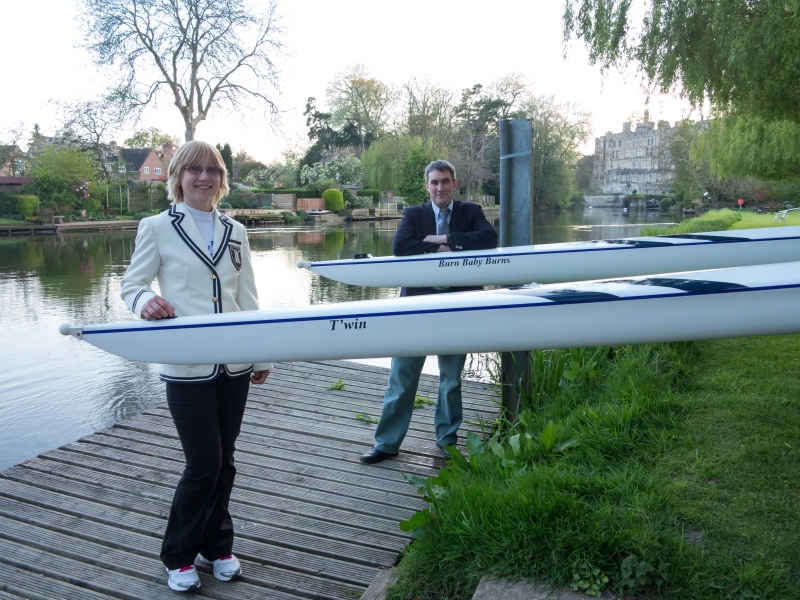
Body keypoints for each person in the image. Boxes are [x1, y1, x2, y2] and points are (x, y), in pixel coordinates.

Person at [121, 141, 271, 592]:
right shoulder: (156, 227)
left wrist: (261, 353)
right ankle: (178, 554)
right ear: (179, 177)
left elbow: (248, 297)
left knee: (225, 462)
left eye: (212, 170)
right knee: (203, 463)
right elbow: (132, 284)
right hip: (187, 366)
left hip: (235, 365)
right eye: (194, 169)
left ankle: (217, 546)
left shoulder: (236, 231)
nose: (204, 177)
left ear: (221, 179)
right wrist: (145, 301)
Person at [360, 160, 497, 464]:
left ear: (454, 184)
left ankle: (447, 440)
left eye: (445, 181)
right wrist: (444, 249)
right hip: (416, 307)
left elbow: (488, 239)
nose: (440, 187)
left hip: (458, 305)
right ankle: (387, 443)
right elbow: (401, 247)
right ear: (427, 186)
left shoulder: (471, 212)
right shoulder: (414, 214)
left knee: (451, 379)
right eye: (434, 182)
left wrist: (444, 238)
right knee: (401, 376)